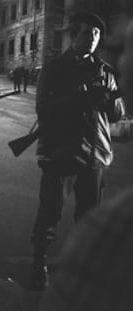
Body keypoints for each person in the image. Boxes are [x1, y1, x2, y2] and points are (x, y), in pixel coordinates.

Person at [38, 11, 133, 310]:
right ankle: (38, 261)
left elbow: (117, 113)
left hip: (96, 155)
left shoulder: (104, 70)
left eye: (96, 35)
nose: (93, 39)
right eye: (87, 34)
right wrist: (80, 98)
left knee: (88, 216)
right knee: (49, 214)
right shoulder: (54, 68)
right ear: (74, 35)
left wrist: (107, 97)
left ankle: (76, 265)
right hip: (62, 152)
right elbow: (43, 108)